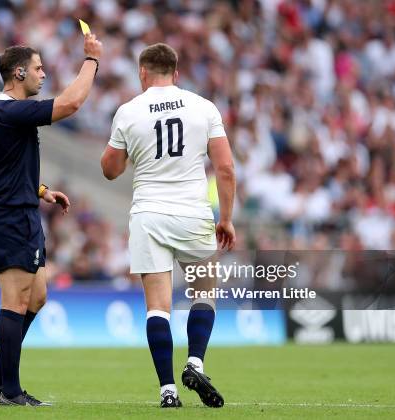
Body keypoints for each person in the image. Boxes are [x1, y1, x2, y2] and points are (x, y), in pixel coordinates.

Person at [100, 43, 236, 408]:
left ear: (142, 73)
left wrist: (126, 148)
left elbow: (110, 170)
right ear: (176, 74)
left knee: (157, 308)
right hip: (192, 212)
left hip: (149, 215)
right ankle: (195, 362)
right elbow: (225, 168)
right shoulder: (203, 107)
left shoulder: (128, 111)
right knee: (204, 294)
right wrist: (225, 218)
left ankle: (167, 391)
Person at [0, 33, 102, 406]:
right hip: (9, 217)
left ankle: (0, 379)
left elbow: (8, 166)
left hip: (25, 210)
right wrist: (91, 61)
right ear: (18, 73)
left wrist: (41, 189)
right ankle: (10, 392)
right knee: (14, 300)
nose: (43, 74)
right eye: (37, 68)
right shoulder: (4, 110)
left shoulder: (8, 115)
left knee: (37, 297)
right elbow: (71, 103)